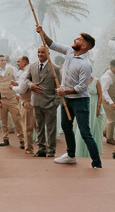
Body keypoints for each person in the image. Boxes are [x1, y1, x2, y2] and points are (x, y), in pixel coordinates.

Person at [38, 27, 103, 168]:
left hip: (80, 101)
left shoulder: (85, 65)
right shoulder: (69, 51)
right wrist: (42, 32)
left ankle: (97, 163)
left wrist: (64, 92)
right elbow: (52, 44)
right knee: (66, 127)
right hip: (67, 99)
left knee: (85, 132)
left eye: (78, 39)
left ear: (84, 46)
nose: (75, 40)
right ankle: (71, 155)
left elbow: (82, 88)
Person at [19, 44, 60, 158]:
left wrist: (55, 103)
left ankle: (51, 150)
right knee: (39, 128)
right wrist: (31, 85)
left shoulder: (55, 68)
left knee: (51, 130)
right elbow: (26, 79)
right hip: (36, 103)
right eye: (39, 52)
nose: (40, 54)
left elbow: (59, 87)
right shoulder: (32, 66)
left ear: (48, 53)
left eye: (43, 52)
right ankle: (41, 149)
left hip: (50, 104)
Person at [0, 55, 23, 149]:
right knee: (3, 120)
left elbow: (18, 81)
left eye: (4, 60)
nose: (3, 62)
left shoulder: (12, 69)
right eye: (1, 60)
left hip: (12, 98)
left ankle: (22, 140)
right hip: (1, 99)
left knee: (17, 119)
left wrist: (18, 94)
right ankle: (5, 138)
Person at [10, 55, 36, 154]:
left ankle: (28, 148)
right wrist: (16, 83)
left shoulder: (26, 72)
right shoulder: (26, 71)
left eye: (18, 61)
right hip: (29, 101)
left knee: (27, 127)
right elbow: (22, 84)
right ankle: (44, 146)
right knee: (36, 126)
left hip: (27, 102)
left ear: (24, 62)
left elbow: (22, 89)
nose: (17, 63)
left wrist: (12, 87)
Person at [74, 75, 105, 159]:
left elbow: (100, 95)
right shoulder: (80, 81)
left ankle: (92, 153)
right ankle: (81, 152)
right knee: (81, 129)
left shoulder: (96, 81)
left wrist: (98, 107)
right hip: (83, 107)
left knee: (93, 129)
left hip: (93, 108)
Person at [99, 59, 115, 145]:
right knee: (112, 119)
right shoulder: (107, 77)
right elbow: (104, 91)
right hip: (106, 100)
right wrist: (111, 102)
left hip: (112, 99)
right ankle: (109, 139)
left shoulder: (114, 75)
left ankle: (105, 131)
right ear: (111, 67)